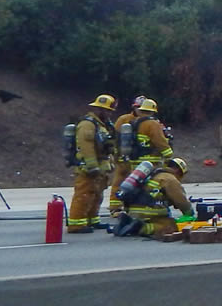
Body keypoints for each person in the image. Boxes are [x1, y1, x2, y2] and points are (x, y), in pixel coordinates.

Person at [68, 94, 117, 233]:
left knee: (96, 194)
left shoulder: (103, 125)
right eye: (107, 111)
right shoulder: (87, 124)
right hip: (88, 168)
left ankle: (92, 219)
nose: (109, 114)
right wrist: (92, 166)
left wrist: (110, 163)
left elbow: (107, 147)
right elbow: (86, 146)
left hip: (101, 167)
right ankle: (76, 224)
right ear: (99, 110)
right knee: (84, 194)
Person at [114, 158, 194, 238]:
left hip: (133, 210)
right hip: (148, 212)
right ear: (177, 170)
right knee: (171, 225)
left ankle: (129, 222)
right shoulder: (170, 179)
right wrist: (189, 213)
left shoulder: (152, 175)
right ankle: (141, 228)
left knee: (163, 219)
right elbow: (181, 201)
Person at [108, 96, 146, 215]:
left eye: (143, 108)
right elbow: (115, 137)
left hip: (140, 158)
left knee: (138, 183)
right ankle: (115, 207)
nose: (141, 111)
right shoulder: (124, 119)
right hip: (123, 157)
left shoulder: (150, 122)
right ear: (134, 107)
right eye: (138, 108)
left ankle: (133, 206)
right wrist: (116, 154)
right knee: (119, 181)